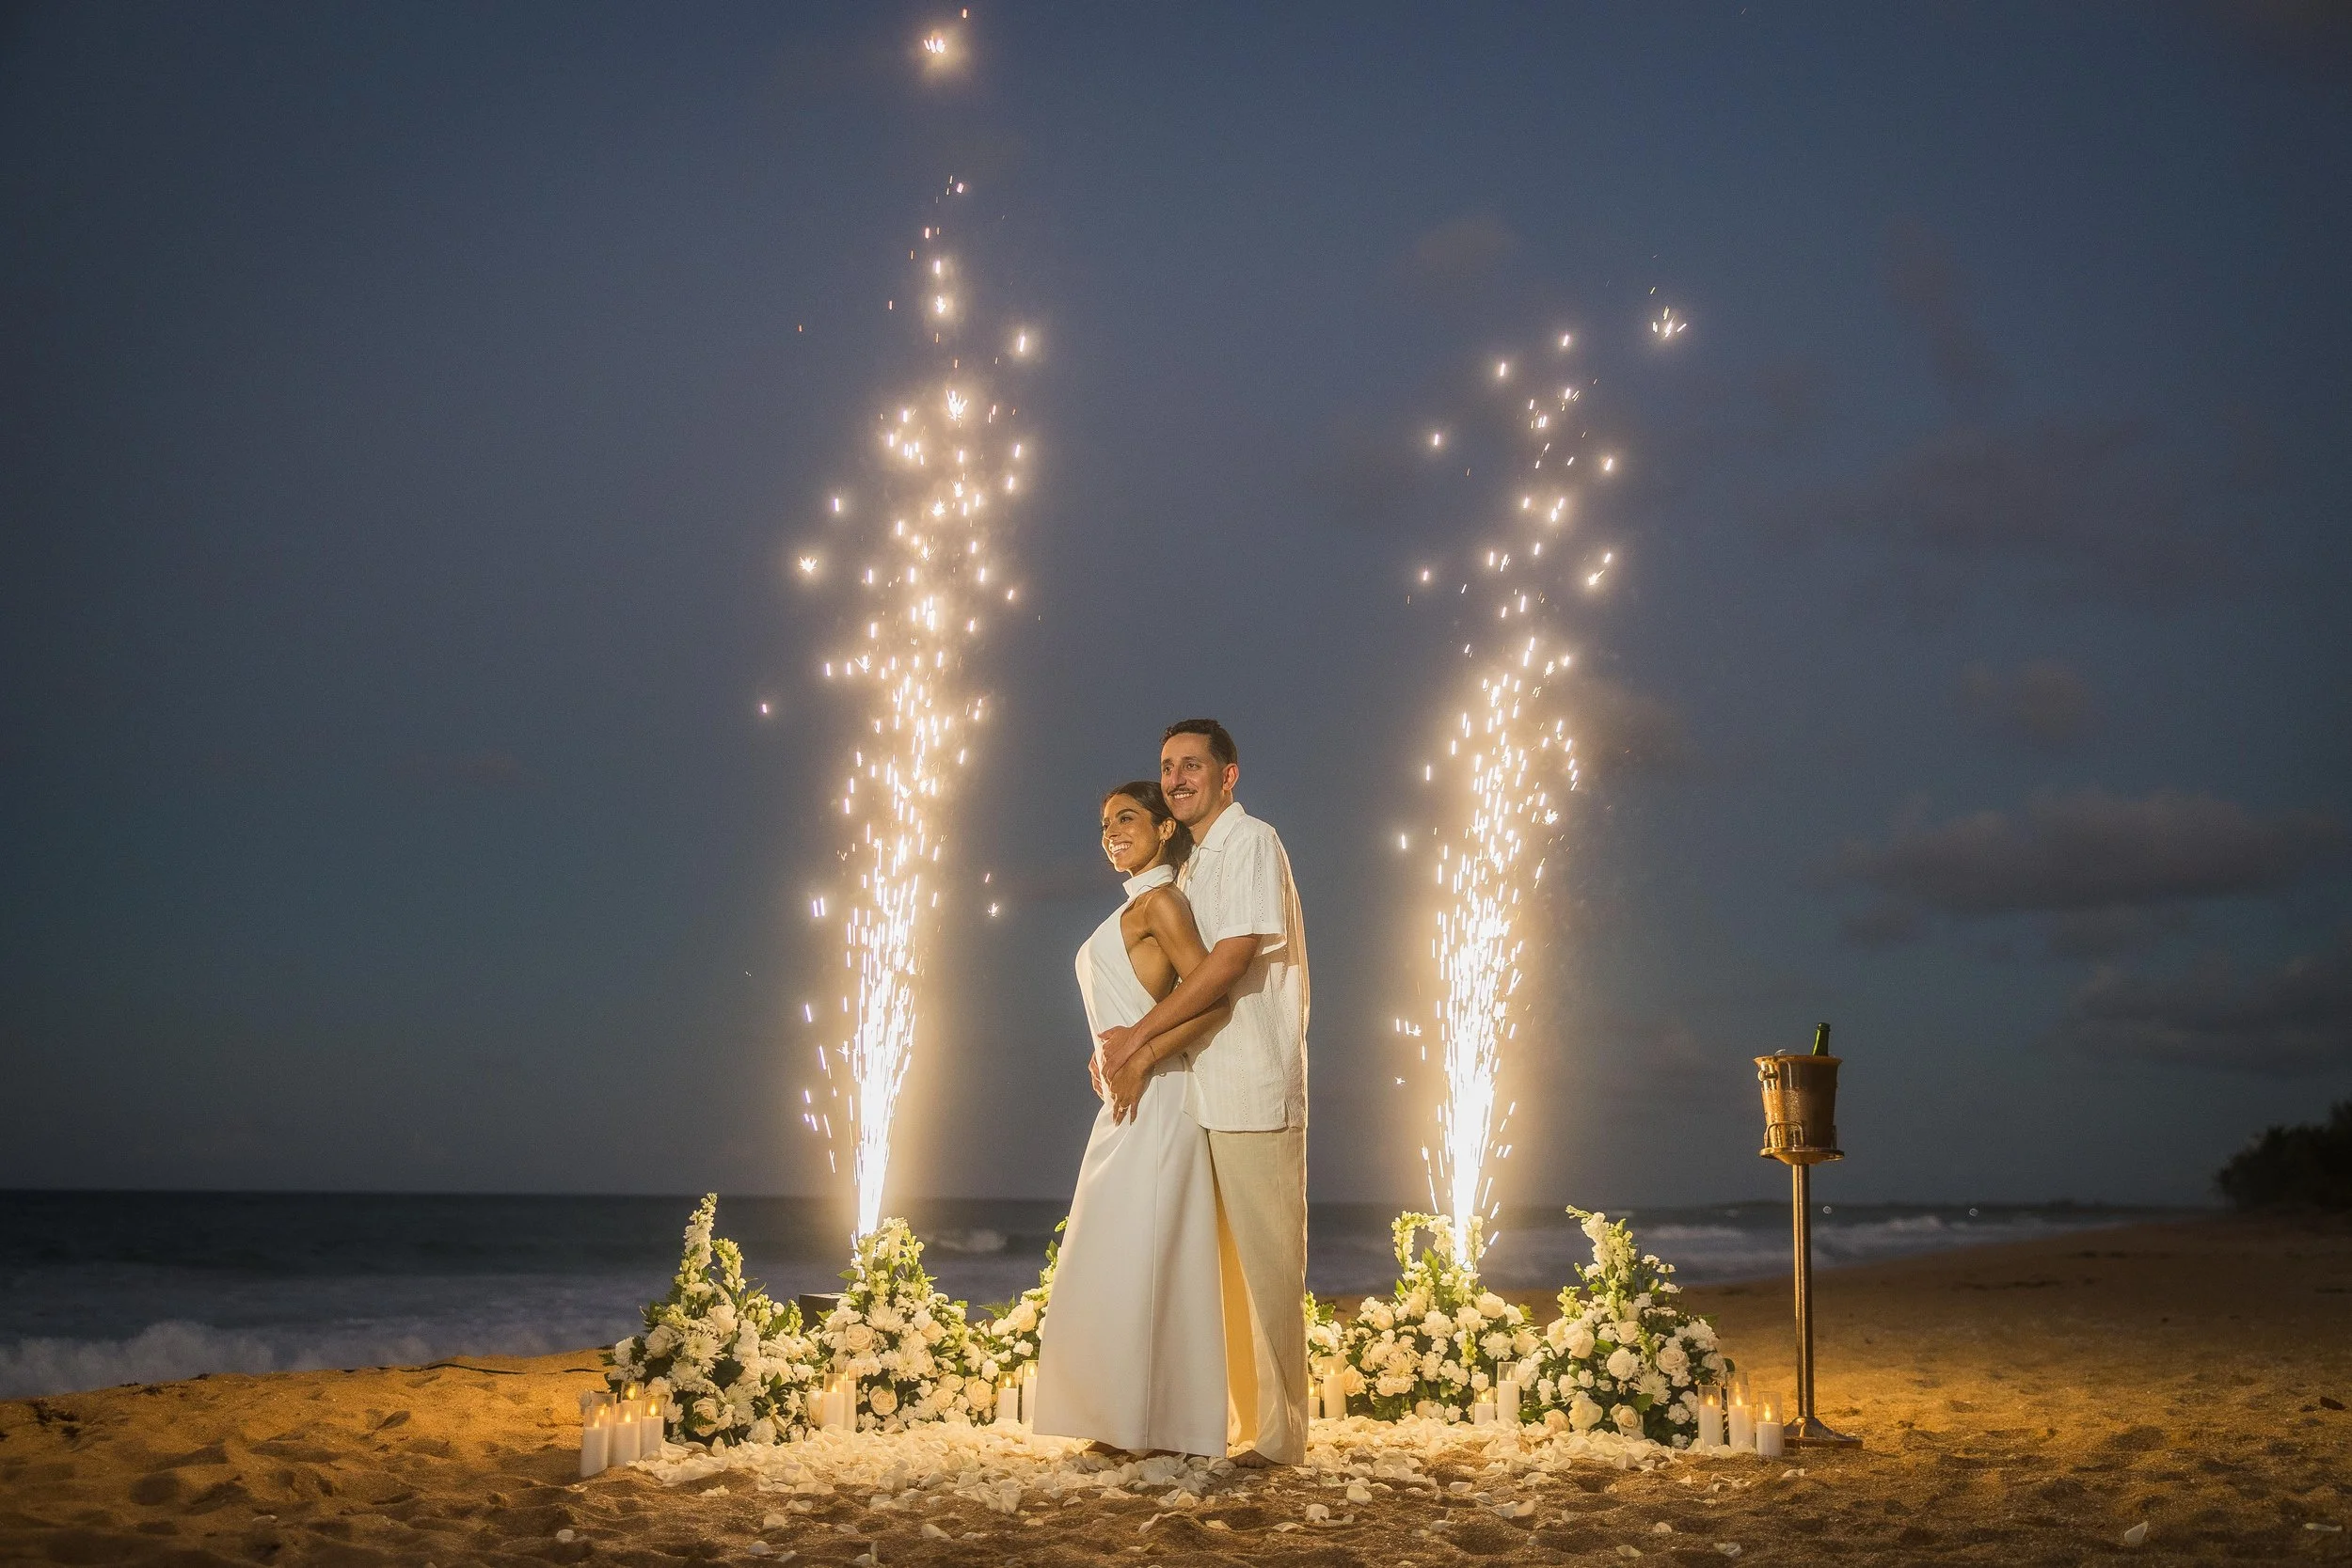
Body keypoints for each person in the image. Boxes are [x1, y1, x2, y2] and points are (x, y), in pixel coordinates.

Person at [1094, 719, 1310, 1467]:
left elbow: (1227, 964)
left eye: (1193, 765)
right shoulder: (1188, 867)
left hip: (1252, 1079)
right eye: (1168, 766)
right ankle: (1228, 1424)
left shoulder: (1250, 841)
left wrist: (1140, 1037)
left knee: (1269, 1268)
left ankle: (1281, 1441)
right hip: (1198, 1087)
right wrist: (1133, 1047)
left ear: (1229, 775)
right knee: (1213, 1272)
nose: (1178, 777)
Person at [1028, 781, 1232, 1457]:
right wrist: (1106, 1054)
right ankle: (1122, 1421)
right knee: (1112, 1255)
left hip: (1163, 1098)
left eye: (1127, 817)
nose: (1112, 830)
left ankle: (1158, 1429)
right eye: (1105, 821)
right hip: (1124, 1100)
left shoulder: (1163, 903)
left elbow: (1214, 1001)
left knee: (1149, 1257)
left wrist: (1143, 1052)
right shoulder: (1134, 906)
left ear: (1164, 827)